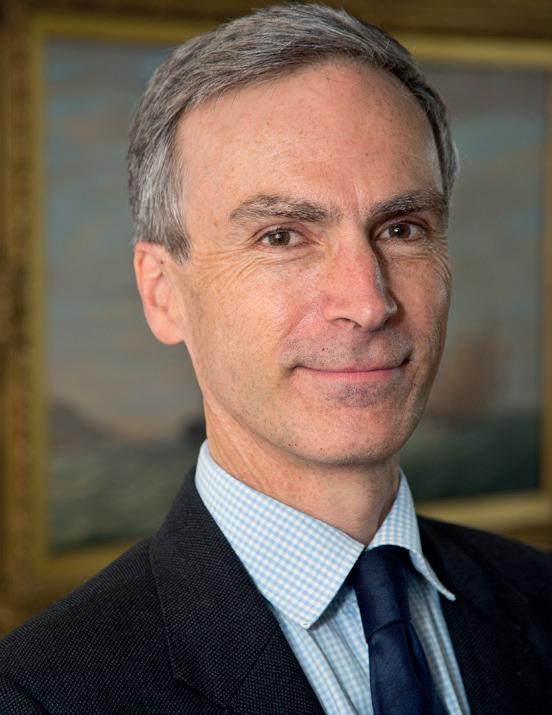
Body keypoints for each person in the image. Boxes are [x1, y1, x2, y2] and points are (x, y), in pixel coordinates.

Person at [1, 4, 550, 713]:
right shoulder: (41, 695)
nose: (368, 302)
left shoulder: (539, 597)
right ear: (162, 292)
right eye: (282, 237)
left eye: (402, 228)